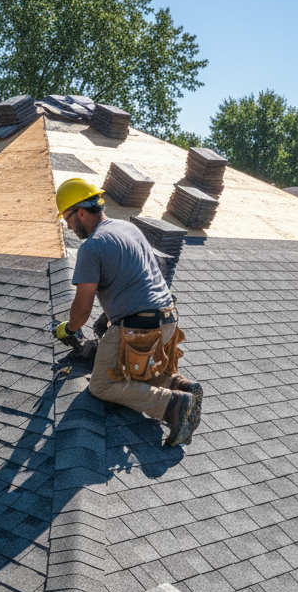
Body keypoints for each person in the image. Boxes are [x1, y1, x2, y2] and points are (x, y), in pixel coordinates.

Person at [54, 178, 202, 447]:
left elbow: (82, 308)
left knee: (102, 385)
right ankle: (180, 386)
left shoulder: (91, 247)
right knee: (133, 371)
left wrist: (70, 329)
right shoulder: (127, 228)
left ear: (81, 213)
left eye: (67, 218)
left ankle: (173, 404)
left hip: (139, 327)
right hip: (168, 320)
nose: (68, 226)